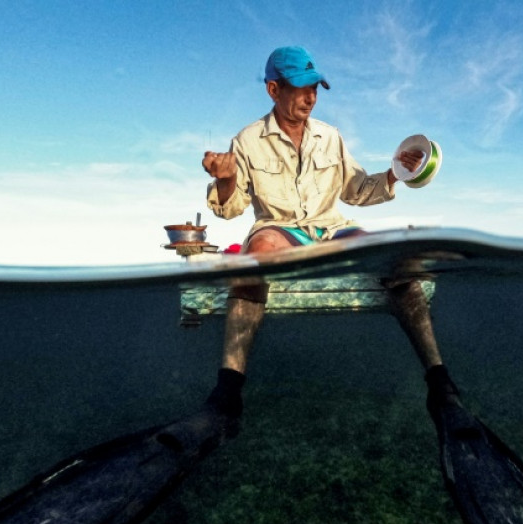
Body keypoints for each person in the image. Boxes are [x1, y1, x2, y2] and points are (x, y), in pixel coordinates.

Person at [195, 46, 460, 430]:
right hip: (280, 229)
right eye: (301, 87)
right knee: (257, 254)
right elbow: (230, 209)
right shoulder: (247, 140)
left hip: (332, 228)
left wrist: (392, 175)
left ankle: (440, 381)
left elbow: (355, 189)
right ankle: (227, 392)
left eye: (315, 87)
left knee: (396, 260)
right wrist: (225, 178)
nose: (310, 97)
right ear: (273, 89)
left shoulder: (331, 137)